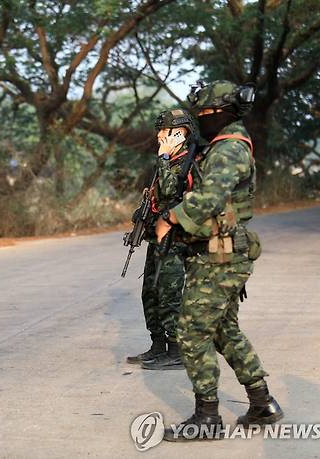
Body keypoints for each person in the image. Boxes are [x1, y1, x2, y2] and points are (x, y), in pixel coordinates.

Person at [154, 81, 283, 441]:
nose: (201, 121)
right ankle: (262, 403)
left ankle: (206, 418)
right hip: (218, 252)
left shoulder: (228, 149)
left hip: (220, 256)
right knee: (224, 330)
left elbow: (210, 198)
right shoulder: (218, 147)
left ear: (220, 114)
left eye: (204, 114)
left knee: (192, 331)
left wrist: (170, 219)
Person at [127, 109, 199, 371]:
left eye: (164, 131)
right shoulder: (168, 162)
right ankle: (157, 345)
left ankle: (176, 350)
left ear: (180, 133)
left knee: (169, 294)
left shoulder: (186, 163)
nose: (159, 135)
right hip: (158, 239)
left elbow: (171, 191)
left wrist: (164, 159)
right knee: (151, 292)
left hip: (175, 240)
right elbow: (158, 198)